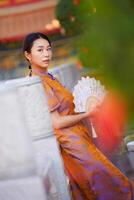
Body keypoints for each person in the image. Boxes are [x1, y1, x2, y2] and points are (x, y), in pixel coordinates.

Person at [22, 32, 132, 200]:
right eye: (40, 50)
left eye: (48, 49)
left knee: (97, 185)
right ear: (28, 55)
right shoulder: (38, 83)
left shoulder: (49, 77)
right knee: (109, 181)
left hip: (79, 136)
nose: (46, 54)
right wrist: (87, 113)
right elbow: (57, 122)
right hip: (70, 142)